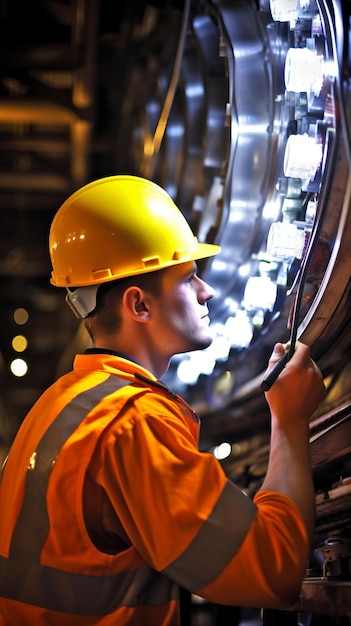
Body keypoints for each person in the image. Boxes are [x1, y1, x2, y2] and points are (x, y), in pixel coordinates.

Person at [0, 175, 325, 626]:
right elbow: (274, 572)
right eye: (189, 277)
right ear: (139, 306)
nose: (206, 291)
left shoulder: (58, 405)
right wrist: (289, 420)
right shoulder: (132, 422)